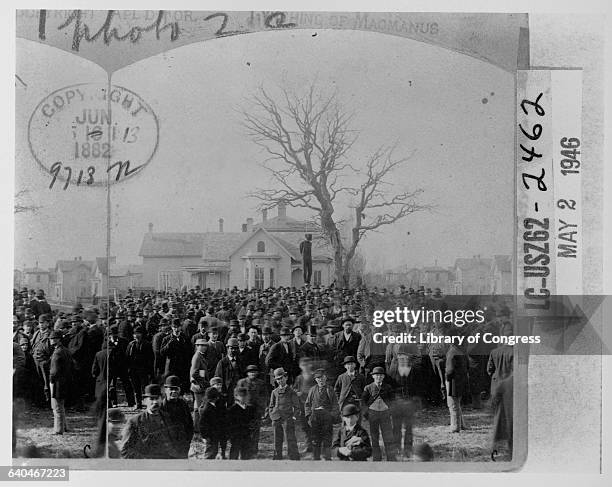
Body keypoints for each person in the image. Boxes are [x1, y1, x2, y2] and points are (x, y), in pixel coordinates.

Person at [121, 384, 175, 458]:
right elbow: (125, 450)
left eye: (157, 398)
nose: (155, 402)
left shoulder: (168, 417)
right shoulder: (135, 422)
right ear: (144, 401)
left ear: (162, 399)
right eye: (151, 399)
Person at [487, 322, 514, 453]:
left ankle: (496, 445)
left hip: (496, 386)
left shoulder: (494, 352)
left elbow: (489, 370)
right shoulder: (515, 352)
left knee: (497, 416)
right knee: (509, 417)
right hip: (509, 389)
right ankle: (509, 445)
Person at [361, 366, 396, 461]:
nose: (378, 377)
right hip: (373, 414)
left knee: (388, 436)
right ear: (373, 376)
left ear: (383, 377)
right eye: (376, 375)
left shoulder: (388, 387)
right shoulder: (368, 388)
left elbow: (393, 401)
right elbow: (363, 402)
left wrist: (391, 412)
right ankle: (377, 458)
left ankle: (391, 458)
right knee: (374, 437)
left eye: (381, 375)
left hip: (385, 414)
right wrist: (366, 414)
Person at [304, 369, 339, 460]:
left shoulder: (330, 389)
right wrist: (309, 417)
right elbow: (307, 404)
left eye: (322, 377)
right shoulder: (312, 390)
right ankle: (316, 458)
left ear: (325, 378)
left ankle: (327, 457)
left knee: (327, 438)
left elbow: (335, 404)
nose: (320, 380)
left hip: (327, 417)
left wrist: (332, 416)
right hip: (315, 417)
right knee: (315, 438)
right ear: (315, 379)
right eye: (318, 378)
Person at [269, 367, 300, 460]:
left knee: (290, 438)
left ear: (286, 378)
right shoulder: (274, 392)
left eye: (281, 378)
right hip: (277, 419)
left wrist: (294, 417)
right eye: (277, 379)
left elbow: (297, 407)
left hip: (288, 419)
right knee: (277, 439)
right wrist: (272, 416)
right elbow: (271, 406)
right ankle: (277, 456)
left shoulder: (291, 392)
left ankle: (293, 457)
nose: (279, 381)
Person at [160, 375, 194, 458]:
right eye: (171, 389)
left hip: (182, 446)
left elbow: (189, 424)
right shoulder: (161, 407)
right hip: (166, 449)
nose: (174, 391)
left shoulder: (183, 405)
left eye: (176, 389)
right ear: (165, 390)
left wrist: (187, 441)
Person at [236, 365, 266, 456]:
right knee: (245, 429)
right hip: (244, 410)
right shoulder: (242, 382)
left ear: (257, 373)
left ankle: (254, 450)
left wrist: (263, 409)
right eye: (250, 372)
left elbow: (264, 397)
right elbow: (237, 395)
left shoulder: (261, 383)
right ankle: (245, 449)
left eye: (254, 372)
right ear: (247, 373)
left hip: (256, 410)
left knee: (256, 430)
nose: (252, 373)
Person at [49, 330, 72, 435]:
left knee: (56, 406)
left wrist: (51, 380)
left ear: (58, 340)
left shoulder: (57, 352)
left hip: (57, 382)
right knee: (61, 405)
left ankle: (58, 429)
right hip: (65, 380)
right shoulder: (65, 350)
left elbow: (54, 371)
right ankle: (65, 426)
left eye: (52, 339)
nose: (51, 340)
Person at [126, 326, 154, 410]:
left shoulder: (147, 344)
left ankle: (148, 403)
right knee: (136, 388)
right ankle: (138, 404)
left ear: (142, 334)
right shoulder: (131, 345)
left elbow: (150, 358)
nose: (136, 335)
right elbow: (127, 357)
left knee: (145, 388)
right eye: (135, 334)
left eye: (138, 333)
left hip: (143, 369)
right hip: (133, 370)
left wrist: (149, 370)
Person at [227, 386, 257, 459]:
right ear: (236, 396)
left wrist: (252, 428)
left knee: (246, 453)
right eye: (241, 396)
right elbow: (229, 424)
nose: (243, 397)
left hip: (247, 434)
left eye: (245, 395)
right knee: (234, 453)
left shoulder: (250, 408)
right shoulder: (232, 410)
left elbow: (253, 421)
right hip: (236, 435)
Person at [446, 340, 469, 433]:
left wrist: (447, 377)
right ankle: (462, 424)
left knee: (453, 404)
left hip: (453, 381)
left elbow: (449, 370)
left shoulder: (451, 352)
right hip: (461, 379)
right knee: (457, 403)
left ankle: (455, 426)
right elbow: (468, 365)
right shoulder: (462, 351)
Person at [199, 386, 227, 459]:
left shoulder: (218, 405)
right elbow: (202, 424)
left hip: (218, 432)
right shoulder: (206, 409)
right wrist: (205, 436)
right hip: (210, 435)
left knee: (217, 450)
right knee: (211, 452)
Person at [215, 338, 244, 405]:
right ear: (227, 348)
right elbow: (218, 378)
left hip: (238, 390)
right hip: (227, 392)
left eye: (236, 348)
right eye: (231, 348)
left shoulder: (240, 361)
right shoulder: (222, 362)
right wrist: (222, 392)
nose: (234, 350)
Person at [190, 338, 209, 434]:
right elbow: (194, 373)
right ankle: (200, 429)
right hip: (199, 386)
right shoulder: (197, 356)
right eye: (201, 345)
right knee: (201, 408)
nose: (204, 347)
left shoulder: (200, 356)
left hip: (198, 385)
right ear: (197, 346)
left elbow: (200, 371)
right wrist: (204, 382)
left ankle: (196, 427)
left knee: (197, 408)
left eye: (205, 345)